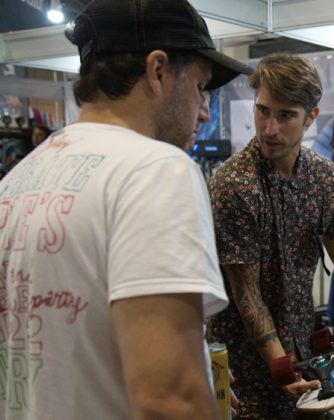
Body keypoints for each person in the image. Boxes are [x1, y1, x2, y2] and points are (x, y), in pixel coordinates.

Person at [0, 1, 250, 419]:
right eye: (200, 87)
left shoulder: (16, 183)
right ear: (157, 71)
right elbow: (170, 401)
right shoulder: (155, 171)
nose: (205, 110)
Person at [208, 53, 334, 419]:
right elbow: (248, 294)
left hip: (305, 346)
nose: (269, 128)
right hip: (244, 362)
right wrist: (280, 365)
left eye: (285, 115)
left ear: (311, 116)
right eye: (263, 111)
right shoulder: (235, 184)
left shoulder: (324, 178)